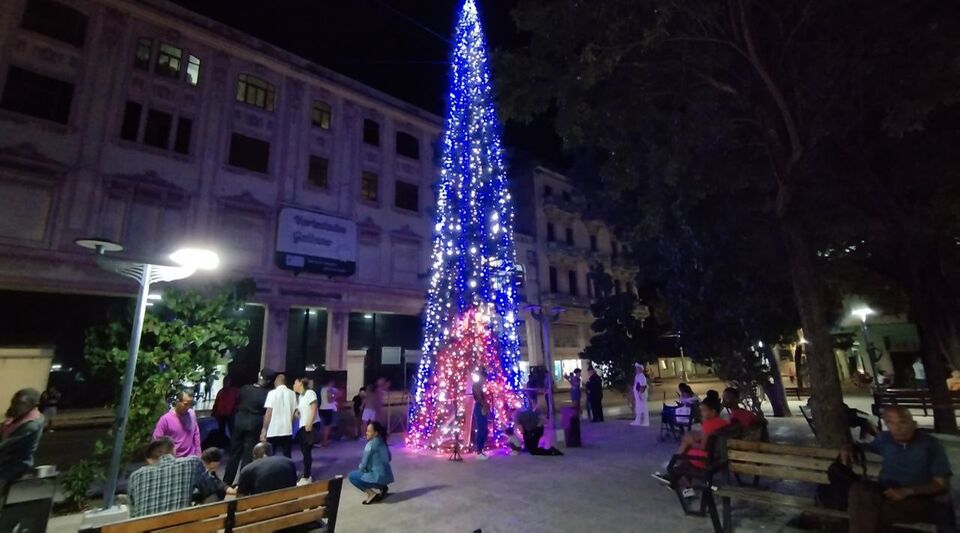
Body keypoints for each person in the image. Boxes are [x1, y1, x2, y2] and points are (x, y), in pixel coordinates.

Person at [842, 407, 953, 532]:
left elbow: (941, 484)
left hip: (918, 498)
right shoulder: (885, 439)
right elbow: (866, 447)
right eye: (890, 423)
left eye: (902, 422)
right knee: (859, 490)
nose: (897, 428)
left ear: (914, 424)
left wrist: (907, 491)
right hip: (886, 491)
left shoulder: (930, 445)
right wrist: (850, 447)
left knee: (871, 511)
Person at [653, 396, 729, 498]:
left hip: (708, 459)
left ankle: (674, 479)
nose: (701, 413)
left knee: (686, 455)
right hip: (720, 456)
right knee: (687, 449)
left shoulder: (708, 424)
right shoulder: (723, 422)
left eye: (704, 411)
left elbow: (703, 447)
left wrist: (692, 443)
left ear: (713, 412)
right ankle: (674, 479)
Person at [128, 437, 203, 518]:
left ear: (149, 459)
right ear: (173, 450)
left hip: (147, 528)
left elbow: (133, 514)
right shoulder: (192, 463)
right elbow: (211, 488)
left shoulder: (135, 477)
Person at [224, 368, 273, 484]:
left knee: (234, 453)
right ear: (269, 381)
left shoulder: (245, 389)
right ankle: (242, 482)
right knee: (247, 454)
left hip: (240, 421)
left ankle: (227, 481)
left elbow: (238, 402)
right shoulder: (266, 394)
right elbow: (265, 410)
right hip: (254, 422)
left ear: (258, 375)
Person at [0, 388, 45, 502]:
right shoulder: (17, 416)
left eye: (20, 403)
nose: (15, 406)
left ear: (32, 405)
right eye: (14, 402)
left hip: (13, 465)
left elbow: (6, 445)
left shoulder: (31, 424)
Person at [348, 421, 394, 504]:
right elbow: (389, 458)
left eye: (369, 431)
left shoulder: (370, 445)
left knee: (352, 476)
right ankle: (383, 487)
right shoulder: (382, 442)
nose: (366, 433)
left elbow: (363, 465)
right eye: (367, 430)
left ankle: (371, 494)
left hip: (378, 477)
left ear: (375, 433)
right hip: (387, 476)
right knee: (369, 473)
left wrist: (364, 470)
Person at [152, 390, 201, 458]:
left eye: (191, 404)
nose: (188, 407)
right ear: (178, 402)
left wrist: (198, 454)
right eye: (186, 404)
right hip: (174, 459)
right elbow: (156, 440)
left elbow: (196, 434)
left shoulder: (192, 414)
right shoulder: (165, 419)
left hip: (191, 457)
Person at [261, 372, 296, 457]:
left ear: (276, 382)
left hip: (273, 429)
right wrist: (291, 426)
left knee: (270, 454)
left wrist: (264, 429)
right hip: (287, 429)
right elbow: (294, 412)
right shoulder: (292, 393)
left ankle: (272, 469)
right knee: (287, 454)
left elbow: (269, 412)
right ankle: (287, 469)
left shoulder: (272, 393)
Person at [293, 376, 317, 485]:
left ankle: (307, 476)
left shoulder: (310, 393)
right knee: (304, 451)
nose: (293, 385)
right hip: (303, 426)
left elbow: (313, 407)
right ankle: (306, 475)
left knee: (306, 451)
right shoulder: (300, 397)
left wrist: (309, 423)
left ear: (300, 383)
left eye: (295, 383)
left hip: (309, 426)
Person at [472, 368, 490, 460]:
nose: (485, 381)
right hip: (479, 407)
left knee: (484, 429)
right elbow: (479, 398)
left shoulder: (480, 386)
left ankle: (481, 449)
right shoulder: (476, 386)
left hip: (481, 407)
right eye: (484, 378)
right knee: (481, 429)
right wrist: (485, 405)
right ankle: (479, 451)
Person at [317, 377, 337, 447]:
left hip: (321, 408)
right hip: (328, 409)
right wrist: (334, 396)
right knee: (327, 427)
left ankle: (322, 441)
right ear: (330, 382)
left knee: (323, 426)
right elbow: (330, 400)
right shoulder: (329, 389)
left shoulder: (322, 389)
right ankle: (324, 442)